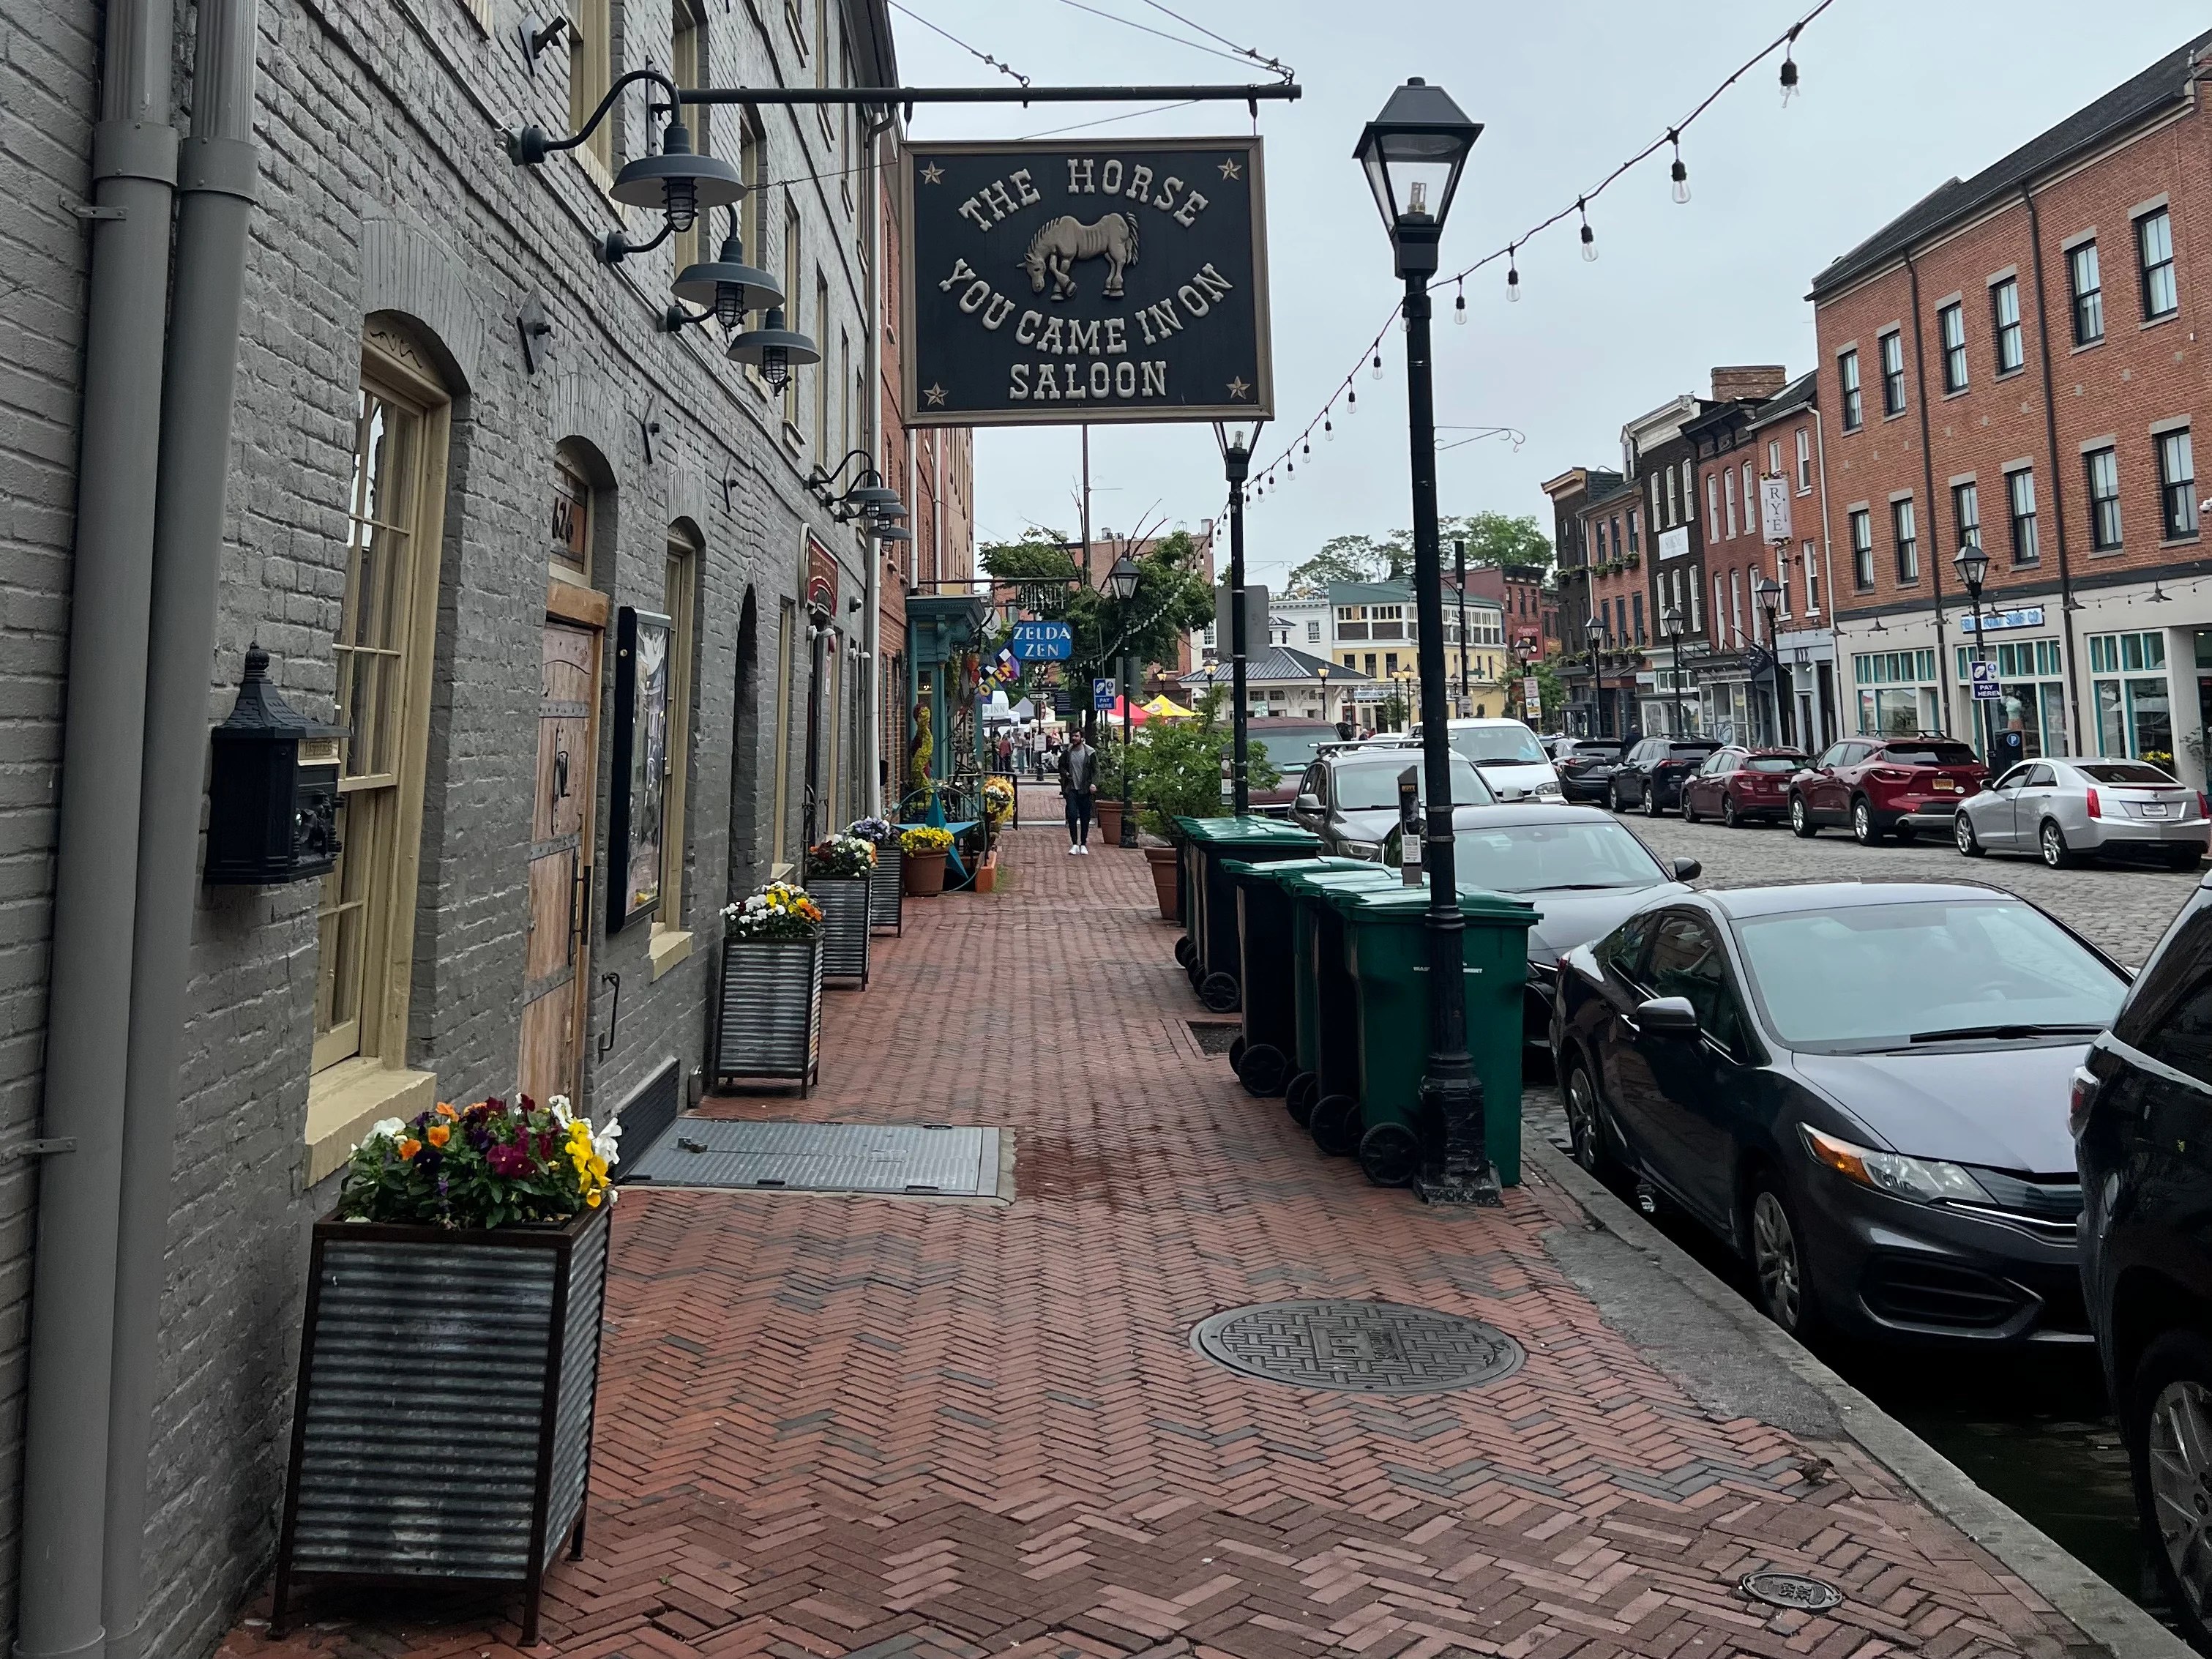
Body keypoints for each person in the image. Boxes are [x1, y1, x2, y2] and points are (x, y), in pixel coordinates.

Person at [1058, 729, 1098, 854]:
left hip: (1085, 790)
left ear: (1082, 738)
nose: (1074, 738)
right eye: (1072, 736)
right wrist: (1065, 774)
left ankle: (1083, 843)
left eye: (1076, 736)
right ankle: (1074, 843)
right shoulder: (1067, 752)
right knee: (1072, 815)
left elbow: (1096, 770)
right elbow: (1061, 766)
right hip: (1071, 789)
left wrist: (1094, 783)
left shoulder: (1090, 752)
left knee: (1085, 817)